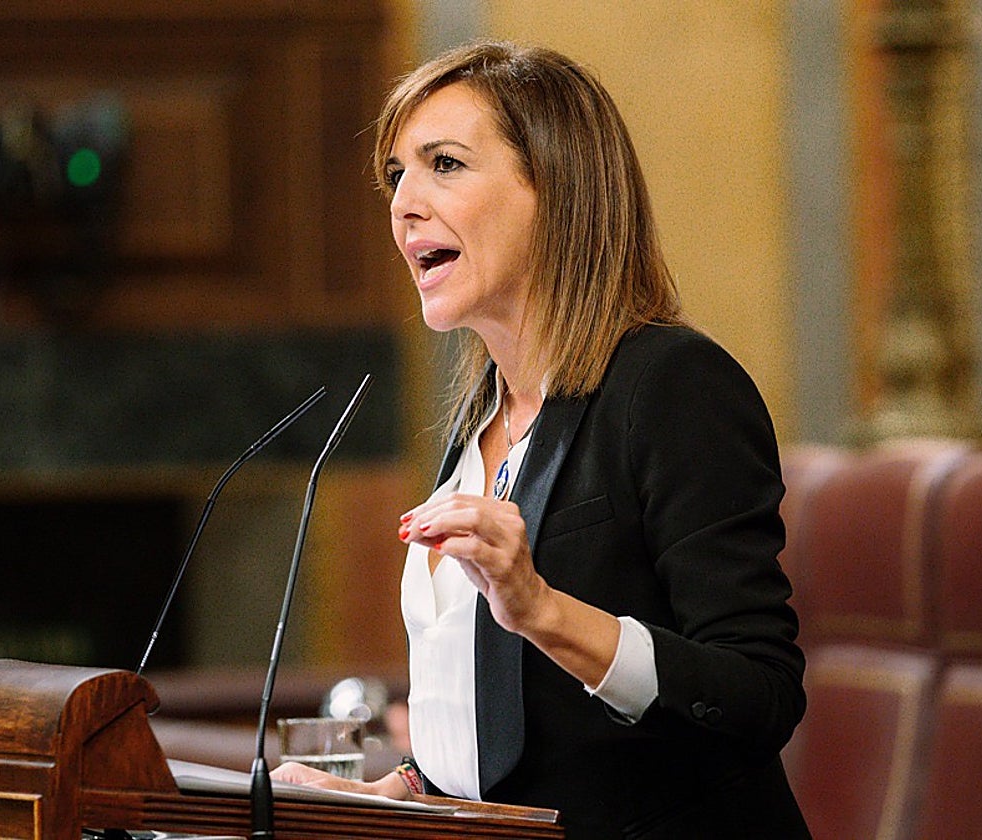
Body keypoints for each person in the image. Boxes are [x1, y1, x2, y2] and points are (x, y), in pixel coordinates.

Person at [273, 40, 810, 838]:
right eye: (396, 176)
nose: (404, 204)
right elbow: (514, 718)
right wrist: (412, 788)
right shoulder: (480, 421)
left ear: (555, 188)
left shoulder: (671, 383)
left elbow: (758, 694)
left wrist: (541, 608)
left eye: (444, 164)